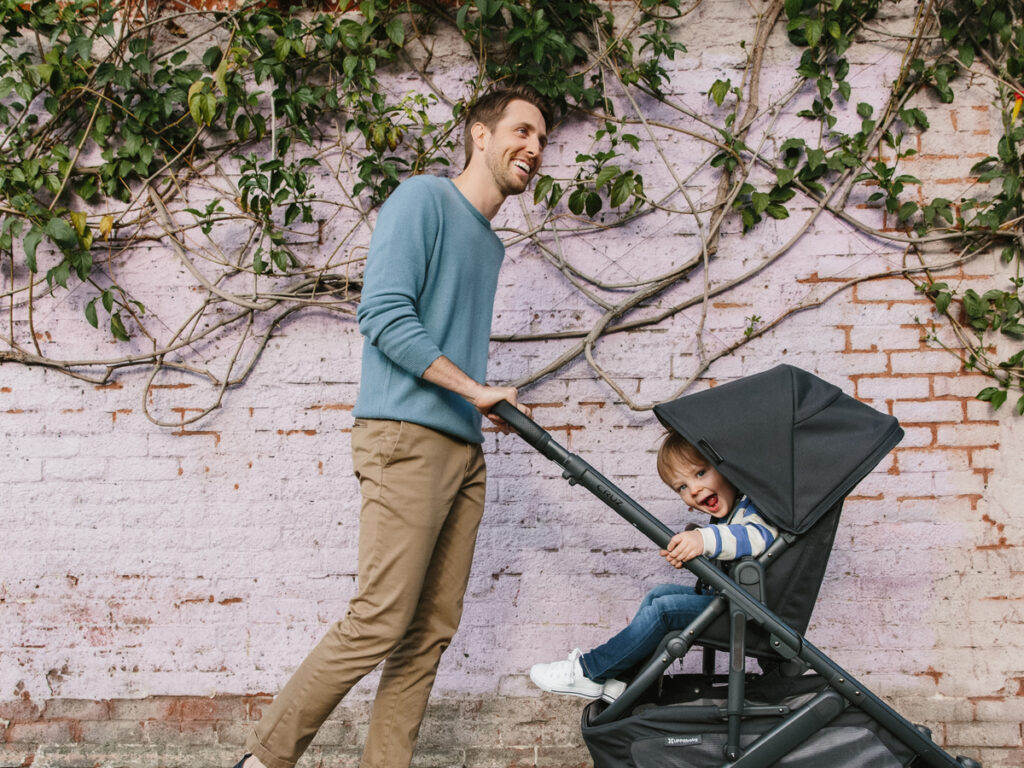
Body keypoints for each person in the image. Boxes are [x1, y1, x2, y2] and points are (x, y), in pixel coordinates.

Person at [232, 86, 550, 768]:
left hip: (461, 447)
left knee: (429, 630)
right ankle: (262, 761)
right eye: (522, 131)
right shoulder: (424, 200)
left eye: (543, 140)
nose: (535, 148)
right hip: (406, 437)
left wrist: (479, 405)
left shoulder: (488, 245)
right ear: (480, 135)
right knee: (380, 617)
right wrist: (474, 390)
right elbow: (382, 315)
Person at [528, 429, 779, 701]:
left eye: (700, 473)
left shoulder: (755, 506)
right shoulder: (727, 516)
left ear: (724, 465)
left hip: (754, 614)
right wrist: (695, 556)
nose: (694, 490)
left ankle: (589, 671)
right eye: (682, 487)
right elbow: (731, 551)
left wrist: (702, 539)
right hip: (734, 602)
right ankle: (622, 679)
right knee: (658, 594)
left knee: (664, 610)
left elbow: (757, 537)